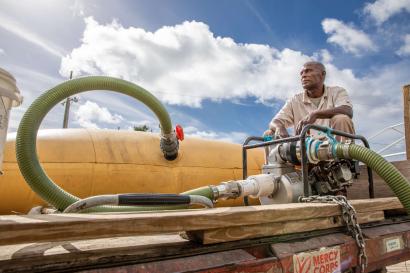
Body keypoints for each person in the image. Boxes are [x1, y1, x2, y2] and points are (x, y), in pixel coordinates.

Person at [264, 61, 355, 141]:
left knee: (342, 118)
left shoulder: (337, 91)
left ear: (323, 74)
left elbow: (347, 110)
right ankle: (271, 161)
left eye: (308, 71)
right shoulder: (295, 100)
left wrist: (315, 114)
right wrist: (279, 127)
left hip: (332, 147)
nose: (303, 75)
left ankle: (343, 159)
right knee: (268, 134)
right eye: (301, 73)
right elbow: (274, 122)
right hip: (305, 150)